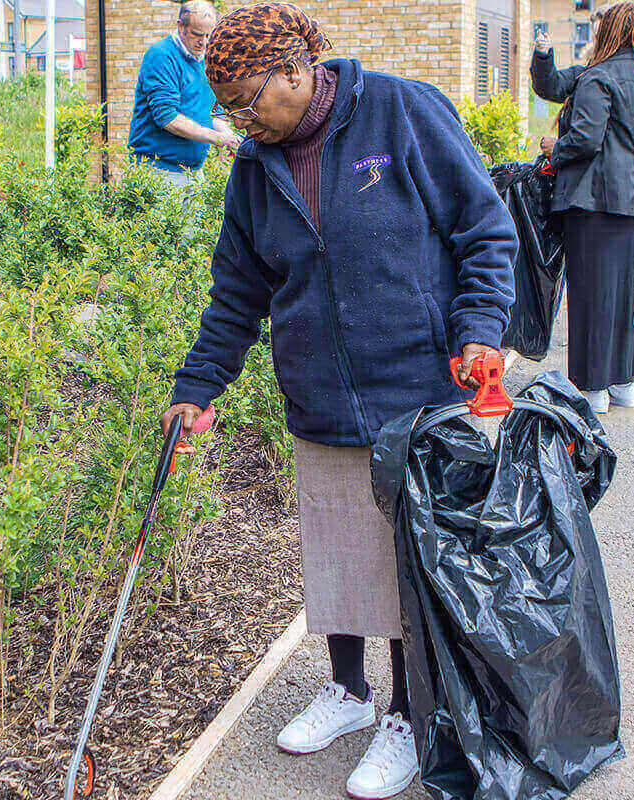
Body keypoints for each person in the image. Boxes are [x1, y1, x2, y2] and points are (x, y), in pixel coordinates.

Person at [160, 4, 516, 797]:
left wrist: (479, 331)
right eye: (229, 112)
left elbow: (484, 230)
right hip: (319, 389)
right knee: (336, 557)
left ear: (297, 70)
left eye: (251, 103)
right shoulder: (256, 167)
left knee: (405, 565)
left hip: (417, 386)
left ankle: (406, 714)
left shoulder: (401, 109)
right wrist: (197, 387)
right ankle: (349, 693)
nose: (242, 124)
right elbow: (237, 292)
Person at [531, 2, 634, 413]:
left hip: (597, 201)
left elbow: (584, 140)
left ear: (608, 33)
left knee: (594, 292)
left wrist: (553, 148)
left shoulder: (599, 78)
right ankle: (624, 383)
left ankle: (592, 388)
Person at [127, 0, 242, 184]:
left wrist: (227, 134)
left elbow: (205, 114)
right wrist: (217, 138)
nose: (203, 42)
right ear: (181, 27)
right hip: (158, 170)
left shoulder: (204, 59)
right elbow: (168, 118)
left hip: (194, 171)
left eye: (208, 36)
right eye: (197, 35)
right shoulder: (161, 56)